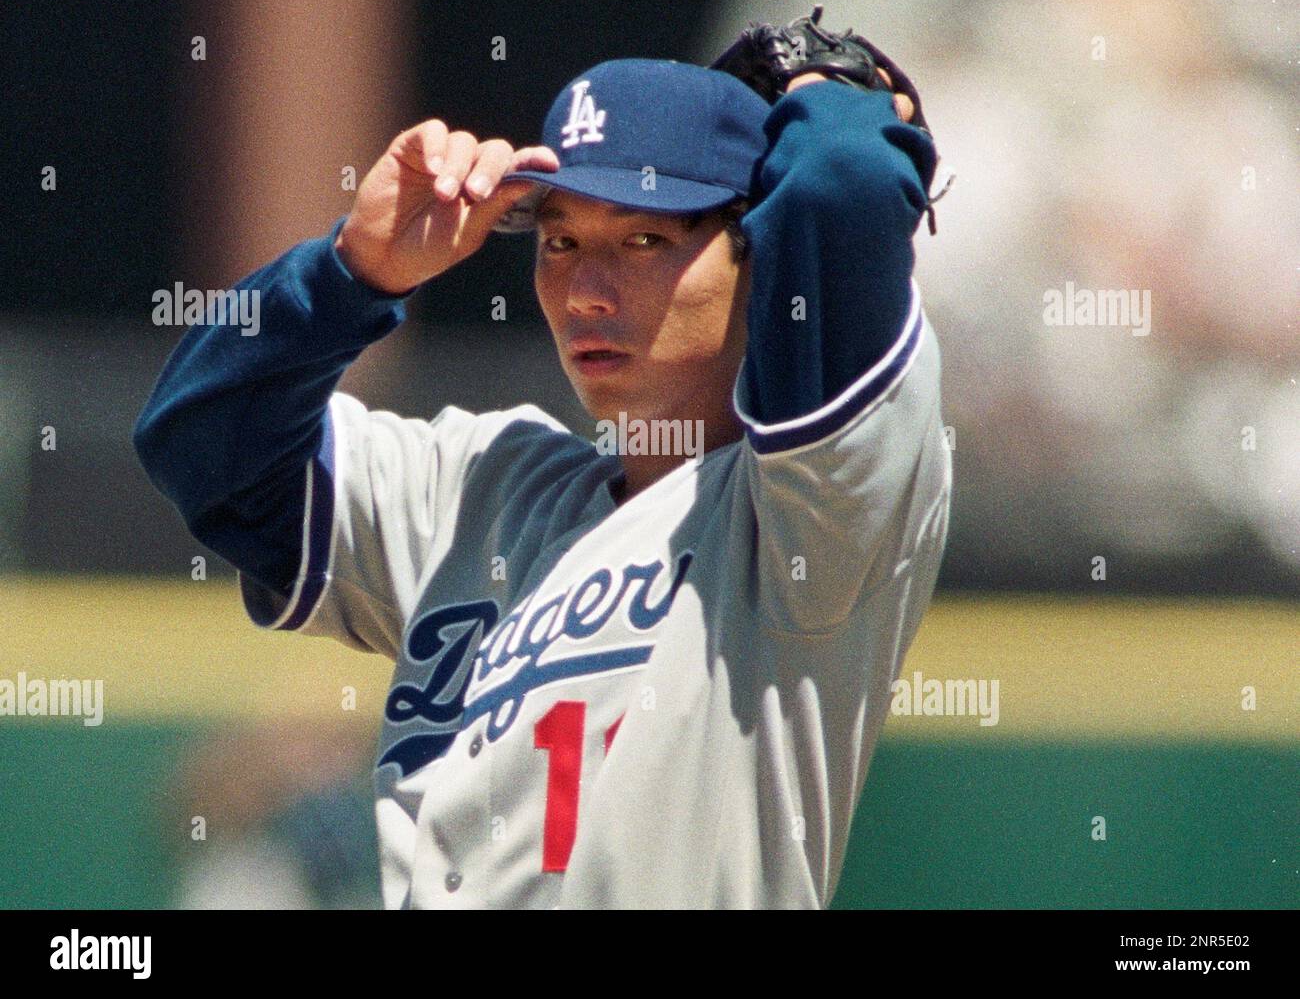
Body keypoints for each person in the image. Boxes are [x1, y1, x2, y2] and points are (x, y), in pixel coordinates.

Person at [135, 53, 950, 909]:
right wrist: (348, 274)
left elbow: (843, 177)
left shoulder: (810, 518)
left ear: (759, 258)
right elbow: (200, 443)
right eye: (561, 241)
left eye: (644, 238)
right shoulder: (484, 489)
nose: (587, 291)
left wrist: (824, 89)